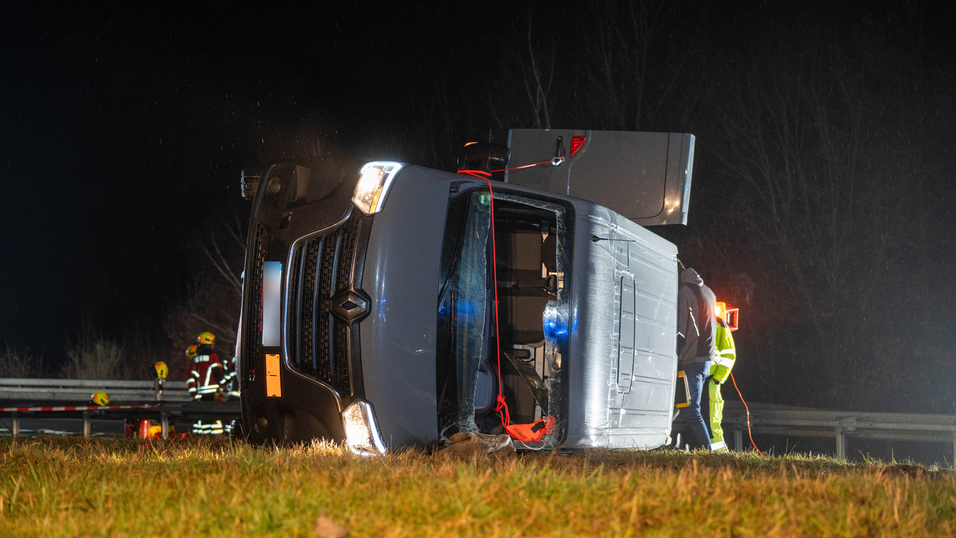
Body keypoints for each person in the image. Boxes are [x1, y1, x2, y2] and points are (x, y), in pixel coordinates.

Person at [675, 266, 716, 451]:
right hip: (706, 358)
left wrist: (675, 353)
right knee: (683, 406)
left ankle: (707, 453)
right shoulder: (709, 291)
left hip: (692, 358)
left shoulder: (685, 290)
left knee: (690, 411)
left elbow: (680, 331)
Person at [701, 315, 736, 452]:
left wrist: (717, 378)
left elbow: (729, 354)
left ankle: (719, 455)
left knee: (711, 421)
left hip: (710, 379)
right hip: (695, 376)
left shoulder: (719, 323)